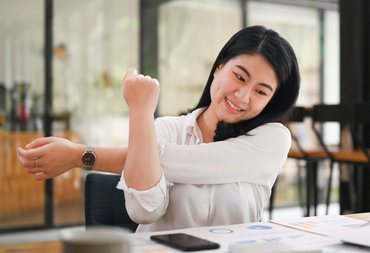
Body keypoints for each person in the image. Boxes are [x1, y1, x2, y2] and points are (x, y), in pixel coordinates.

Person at [17, 25, 300, 232]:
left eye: (261, 92)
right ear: (219, 67)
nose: (243, 96)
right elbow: (145, 210)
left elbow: (194, 163)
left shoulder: (272, 139)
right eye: (239, 77)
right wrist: (141, 111)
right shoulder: (165, 129)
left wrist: (79, 155)